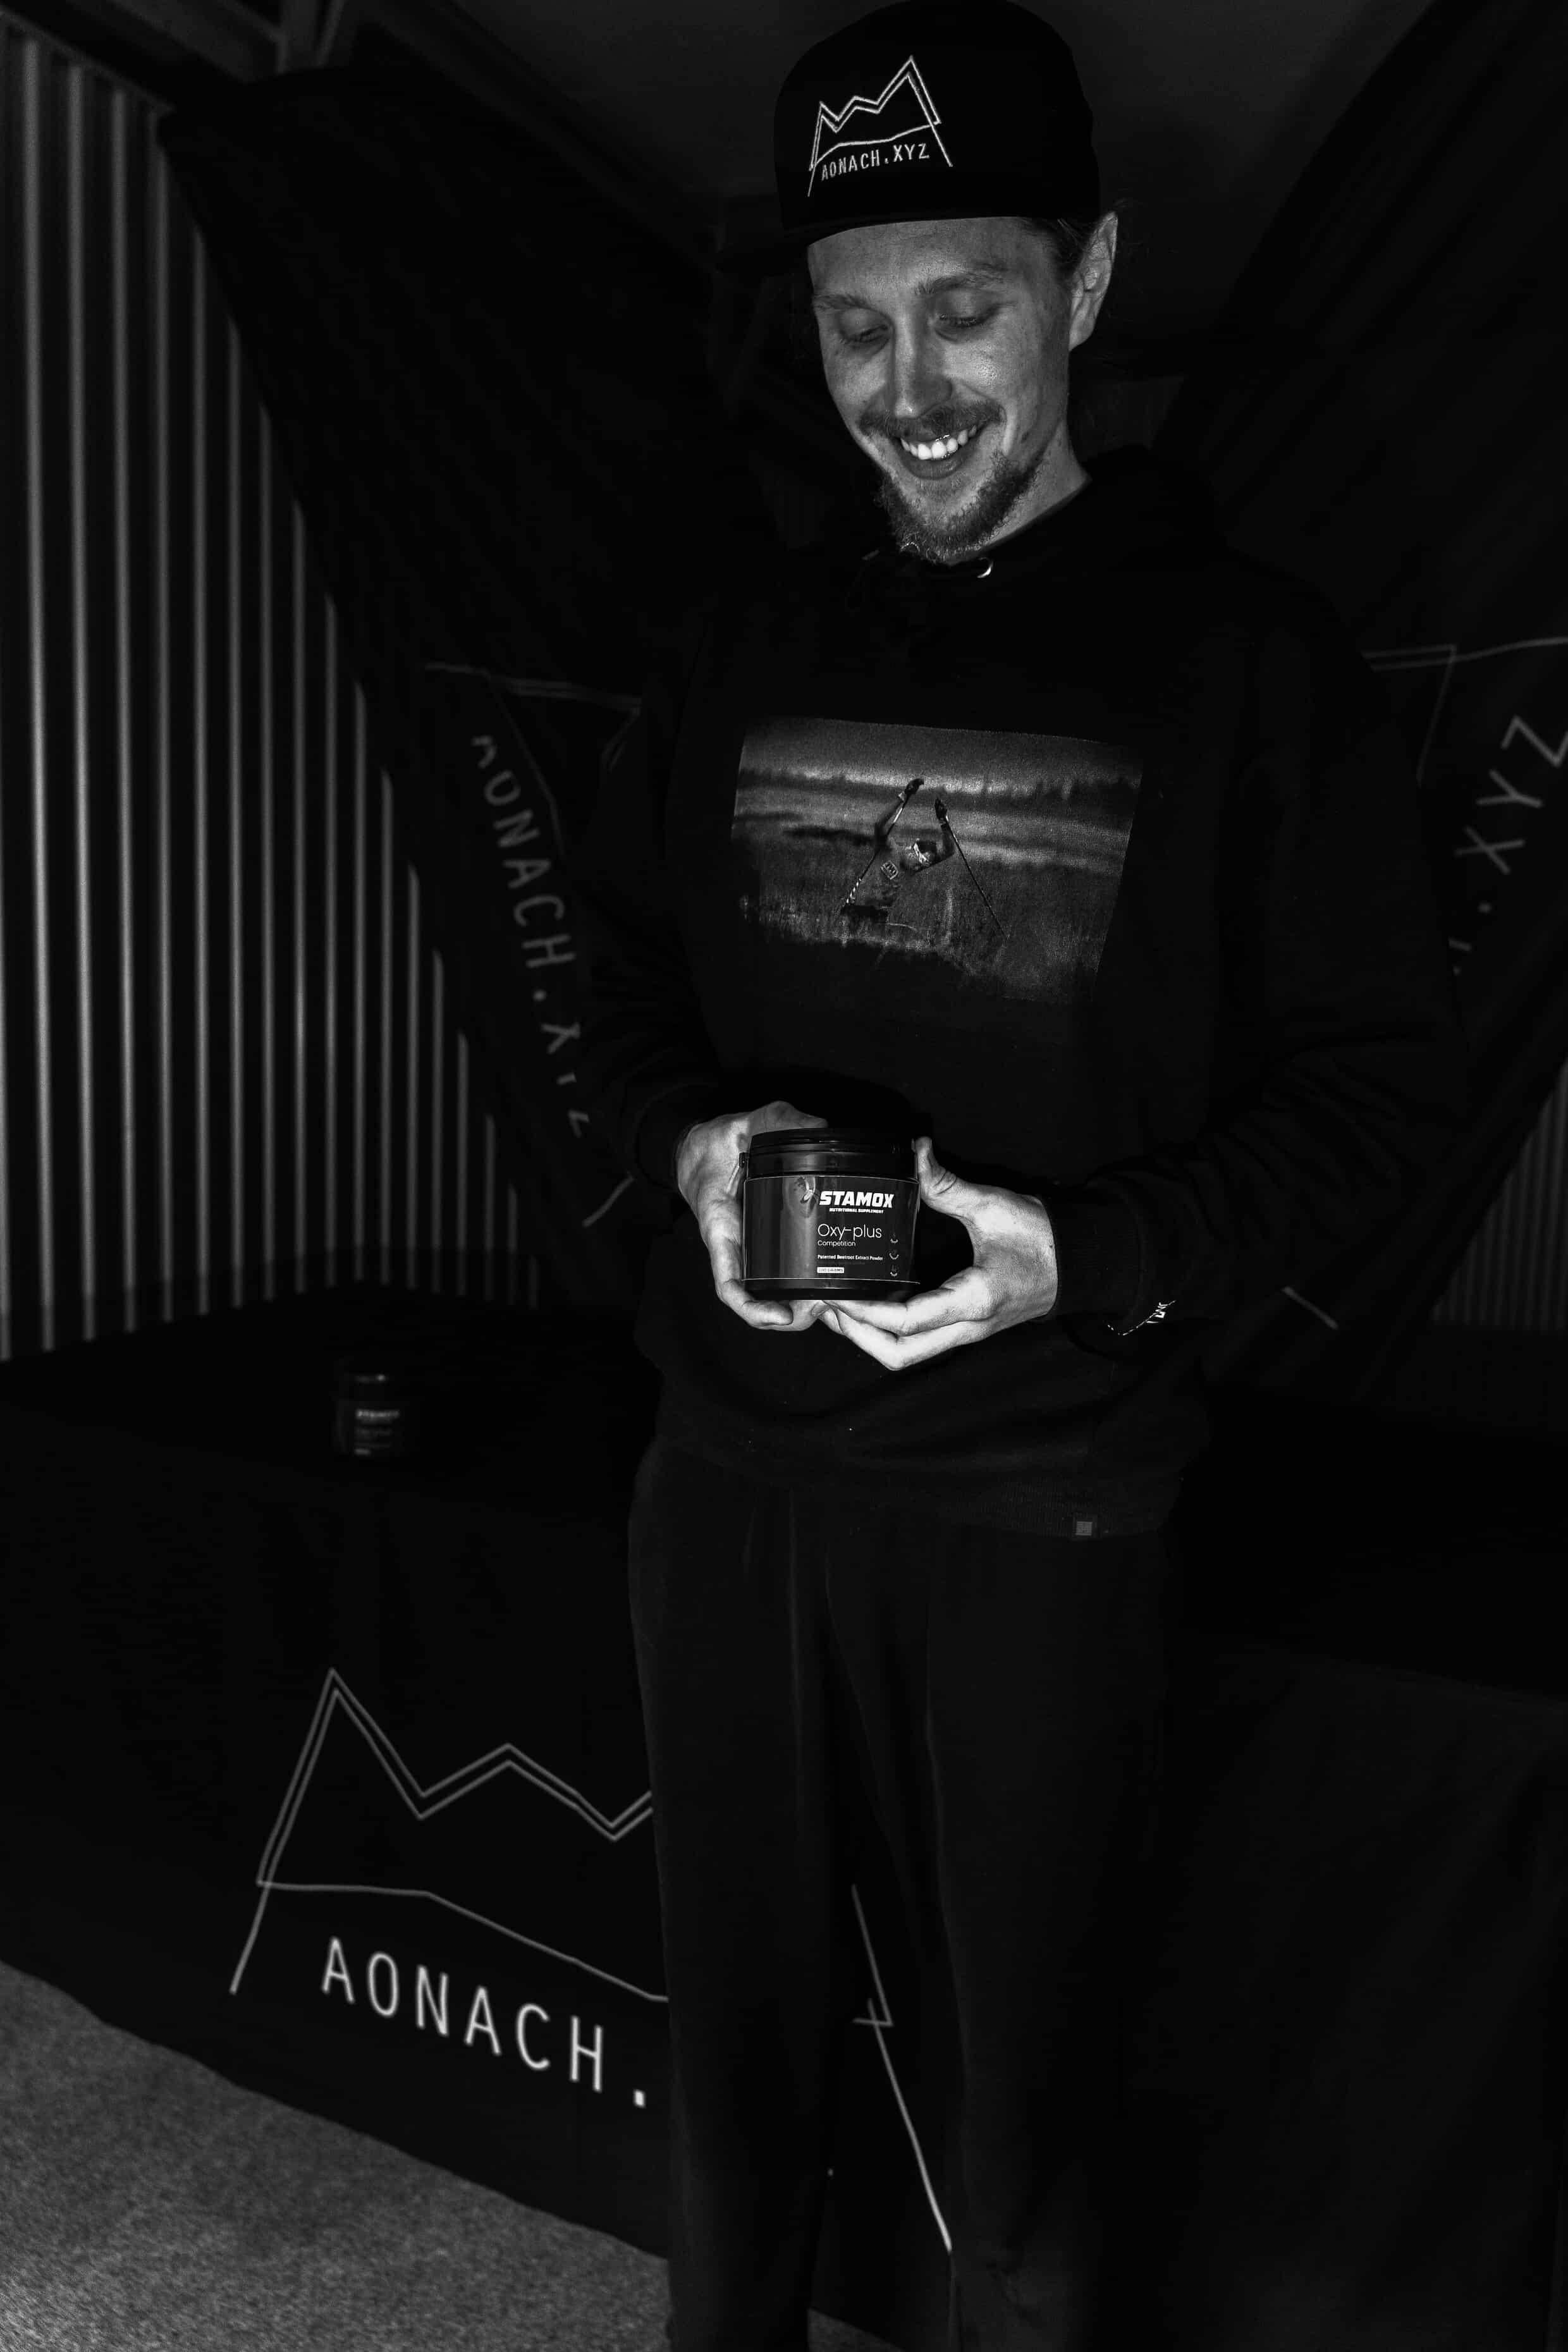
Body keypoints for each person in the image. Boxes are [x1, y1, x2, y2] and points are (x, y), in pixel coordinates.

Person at [570, 4, 1469, 2345]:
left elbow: (1382, 1097)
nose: (911, 389)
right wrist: (690, 1148)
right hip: (724, 1482)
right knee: (733, 2107)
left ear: (1087, 281)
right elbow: (617, 995)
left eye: (965, 308)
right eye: (855, 325)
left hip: (1047, 1500)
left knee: (1027, 2149)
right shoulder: (737, 641)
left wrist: (1080, 1256)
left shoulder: (1254, 670)